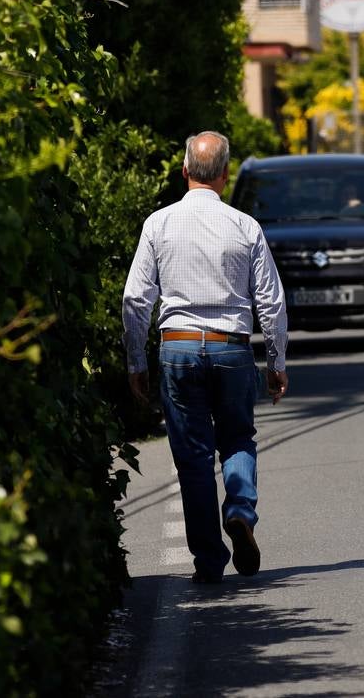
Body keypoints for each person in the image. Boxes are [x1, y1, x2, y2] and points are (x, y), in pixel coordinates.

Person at [122, 131, 289, 583]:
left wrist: (136, 360)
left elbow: (136, 299)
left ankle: (208, 563)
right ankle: (238, 510)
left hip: (177, 347)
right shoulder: (244, 226)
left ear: (184, 171)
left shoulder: (158, 224)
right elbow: (270, 302)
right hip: (232, 347)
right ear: (225, 174)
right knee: (236, 438)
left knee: (193, 458)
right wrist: (276, 361)